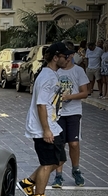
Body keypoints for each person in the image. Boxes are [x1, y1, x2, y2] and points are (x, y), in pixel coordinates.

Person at [18, 42, 74, 196]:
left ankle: (28, 183)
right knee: (48, 162)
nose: (68, 59)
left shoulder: (51, 74)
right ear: (55, 57)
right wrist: (46, 130)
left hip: (52, 124)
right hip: (44, 127)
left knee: (59, 160)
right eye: (65, 56)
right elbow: (41, 105)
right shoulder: (47, 77)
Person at [52, 41, 90, 188]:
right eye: (63, 55)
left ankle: (76, 170)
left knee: (74, 143)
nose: (66, 58)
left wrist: (68, 97)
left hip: (74, 112)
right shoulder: (55, 71)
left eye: (68, 55)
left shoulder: (78, 71)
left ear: (72, 55)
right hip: (58, 113)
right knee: (59, 143)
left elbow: (85, 92)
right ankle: (59, 175)